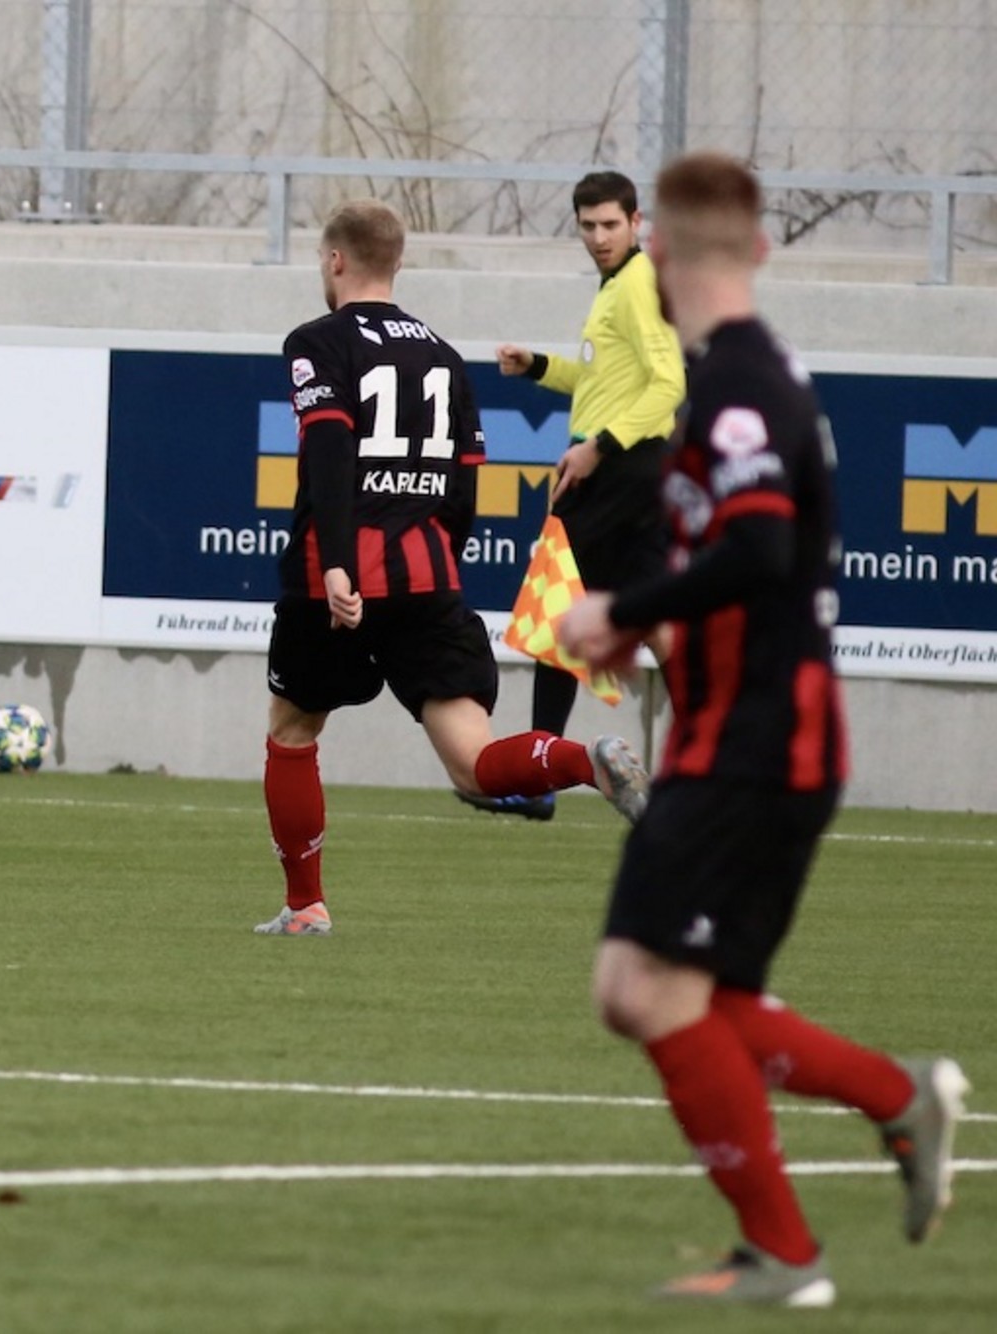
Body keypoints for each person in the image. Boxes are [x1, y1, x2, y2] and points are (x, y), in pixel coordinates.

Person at [559, 152, 967, 1306]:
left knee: (641, 987)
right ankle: (892, 1099)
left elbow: (757, 546)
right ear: (760, 249)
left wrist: (620, 609)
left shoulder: (739, 384)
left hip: (758, 737)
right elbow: (729, 549)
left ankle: (784, 1254)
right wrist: (648, 620)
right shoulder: (737, 378)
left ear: (655, 256)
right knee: (669, 989)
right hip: (744, 731)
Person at [256, 199, 650, 937]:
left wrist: (338, 565)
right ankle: (585, 761)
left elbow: (330, 451)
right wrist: (440, 568)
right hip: (428, 582)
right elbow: (467, 485)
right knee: (474, 763)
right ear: (398, 262)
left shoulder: (316, 341)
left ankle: (306, 906)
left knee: (293, 729)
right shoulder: (442, 355)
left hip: (332, 582)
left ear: (334, 260)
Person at [465, 170, 684, 822]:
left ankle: (538, 778)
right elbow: (601, 382)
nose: (598, 236)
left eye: (610, 224)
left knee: (561, 614)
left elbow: (668, 385)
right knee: (655, 622)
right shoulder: (619, 285)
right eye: (588, 225)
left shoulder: (638, 283)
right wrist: (537, 367)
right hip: (635, 471)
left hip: (618, 471)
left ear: (637, 222)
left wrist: (597, 448)